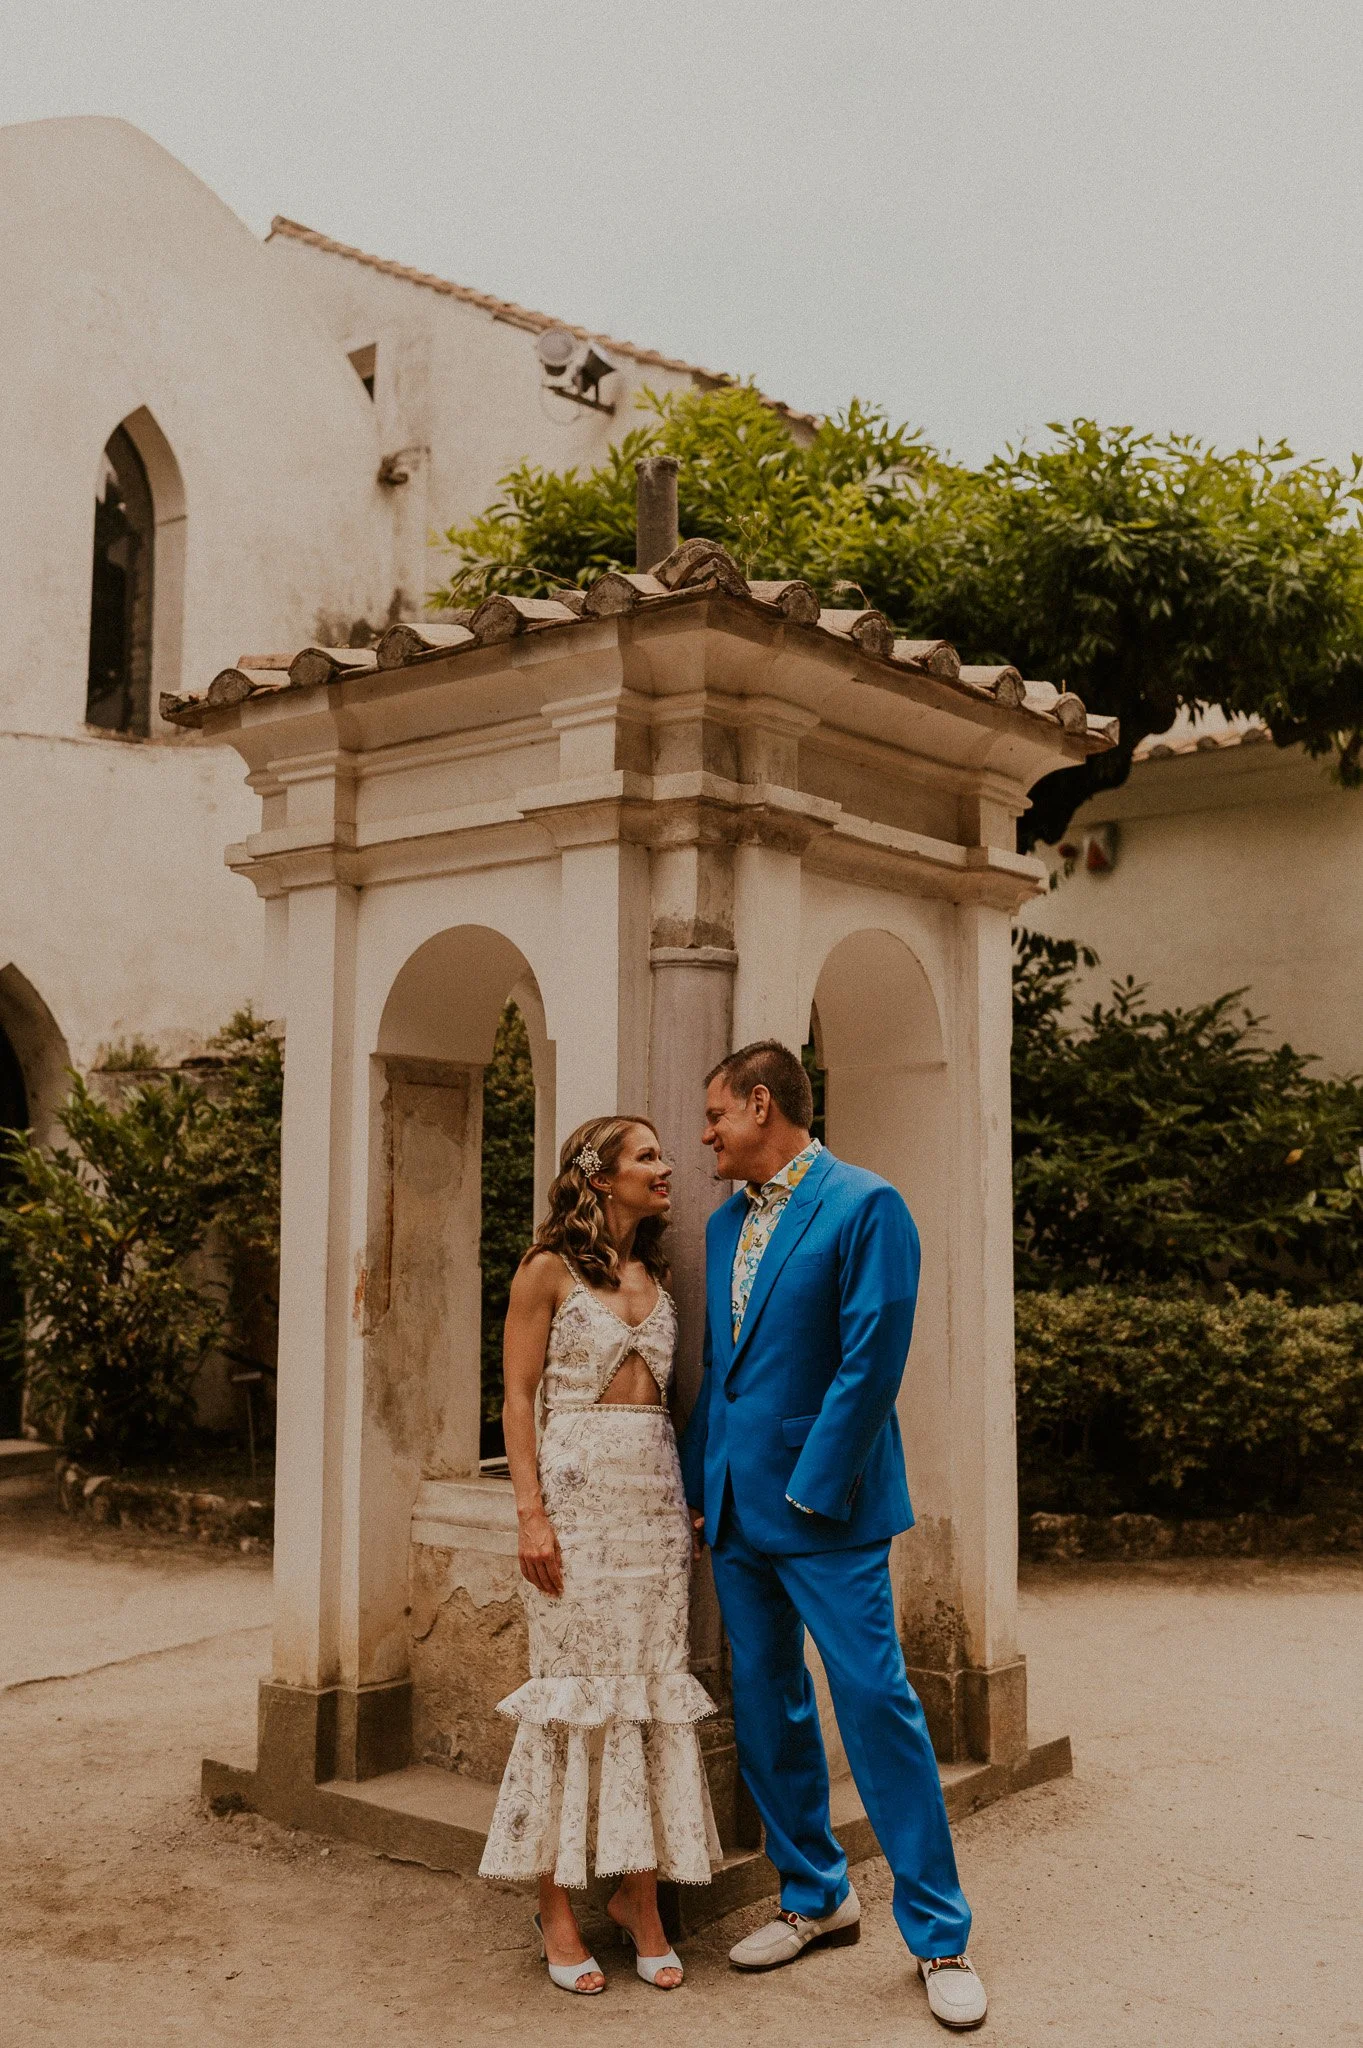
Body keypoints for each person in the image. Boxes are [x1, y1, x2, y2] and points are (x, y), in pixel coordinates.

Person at [679, 1041, 988, 2033]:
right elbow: (719, 1370)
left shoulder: (866, 1205)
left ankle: (940, 1933)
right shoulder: (726, 1220)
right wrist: (703, 1483)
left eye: (716, 1112)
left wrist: (812, 1492)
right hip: (734, 1509)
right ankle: (816, 1895)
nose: (705, 1132)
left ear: (761, 1104)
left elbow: (871, 1361)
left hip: (830, 1508)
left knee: (874, 1701)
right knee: (767, 1705)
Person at [479, 1116, 721, 1995]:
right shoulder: (545, 1271)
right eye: (648, 1157)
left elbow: (677, 1407)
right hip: (575, 1510)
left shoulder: (656, 1275)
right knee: (571, 1701)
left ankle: (639, 1901)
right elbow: (514, 1398)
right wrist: (529, 1514)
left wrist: (689, 1500)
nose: (666, 1169)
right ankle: (554, 1908)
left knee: (652, 1697)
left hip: (652, 1508)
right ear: (599, 1174)